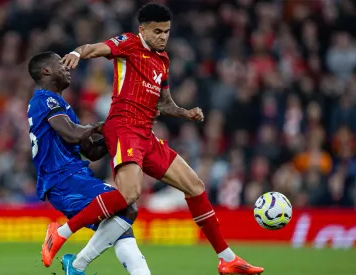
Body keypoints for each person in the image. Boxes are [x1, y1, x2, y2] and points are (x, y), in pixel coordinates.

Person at [42, 3, 264, 275]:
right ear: (142, 29)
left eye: (167, 32)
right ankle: (61, 231)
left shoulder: (163, 60)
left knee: (194, 186)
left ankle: (227, 259)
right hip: (123, 127)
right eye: (157, 31)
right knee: (130, 194)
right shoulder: (129, 43)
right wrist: (77, 52)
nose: (163, 37)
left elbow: (164, 103)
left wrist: (185, 112)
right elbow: (94, 48)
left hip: (146, 134)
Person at [27, 52, 151, 275]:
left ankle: (78, 265)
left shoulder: (61, 106)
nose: (67, 68)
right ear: (46, 71)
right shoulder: (45, 99)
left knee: (121, 226)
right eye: (60, 64)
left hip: (71, 178)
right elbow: (73, 134)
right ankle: (69, 249)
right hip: (64, 179)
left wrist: (120, 134)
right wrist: (101, 125)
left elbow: (91, 151)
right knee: (127, 205)